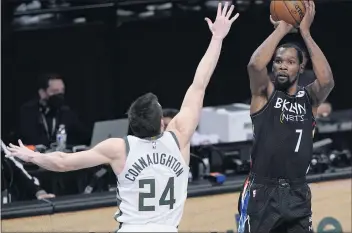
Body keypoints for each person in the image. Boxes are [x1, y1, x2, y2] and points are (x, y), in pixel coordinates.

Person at [6, 3, 239, 232]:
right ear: (162, 122)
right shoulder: (179, 137)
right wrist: (217, 38)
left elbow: (62, 162)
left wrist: (32, 156)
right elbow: (200, 84)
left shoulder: (119, 148)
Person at [238, 2, 334, 233]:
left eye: (290, 62)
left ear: (301, 68)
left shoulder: (308, 98)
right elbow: (254, 65)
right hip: (262, 190)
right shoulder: (264, 94)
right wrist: (281, 29)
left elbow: (327, 81)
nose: (282, 66)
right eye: (278, 61)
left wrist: (306, 33)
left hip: (297, 191)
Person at [18, 73, 90, 147]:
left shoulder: (66, 111)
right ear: (42, 93)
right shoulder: (29, 111)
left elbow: (83, 135)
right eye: (55, 91)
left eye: (62, 91)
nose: (60, 95)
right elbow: (30, 138)